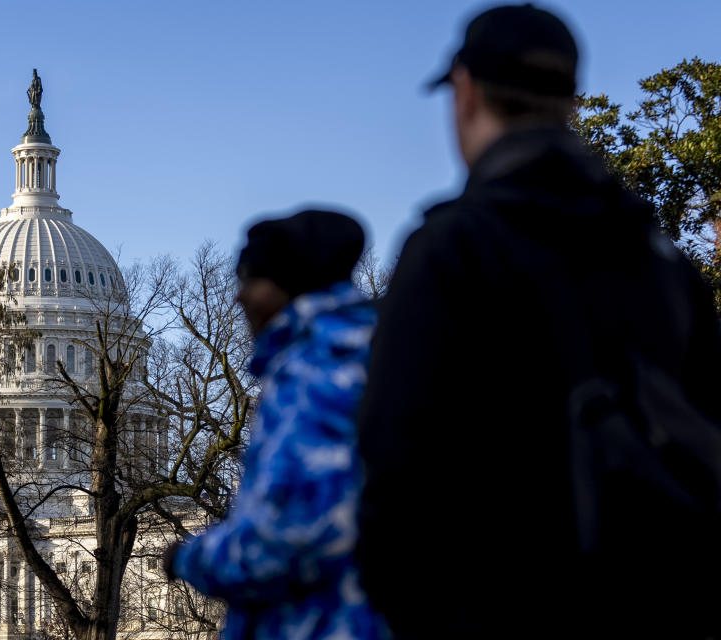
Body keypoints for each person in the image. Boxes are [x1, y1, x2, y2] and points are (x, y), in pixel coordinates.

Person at [356, 4, 721, 638]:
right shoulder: (660, 259)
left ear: (465, 92)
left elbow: (391, 473)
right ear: (570, 98)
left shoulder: (451, 249)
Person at [164, 209, 391, 640]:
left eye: (249, 279)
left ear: (285, 284)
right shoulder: (366, 348)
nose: (239, 296)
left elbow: (294, 532)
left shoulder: (316, 369)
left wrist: (190, 559)